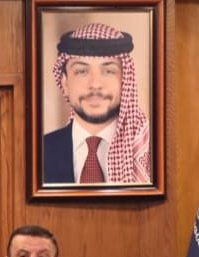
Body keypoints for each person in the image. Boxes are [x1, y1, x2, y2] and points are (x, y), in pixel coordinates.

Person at [42, 23, 150, 185]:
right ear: (65, 83)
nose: (95, 84)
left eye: (109, 71)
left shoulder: (150, 151)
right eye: (81, 71)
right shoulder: (38, 152)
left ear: (125, 81)